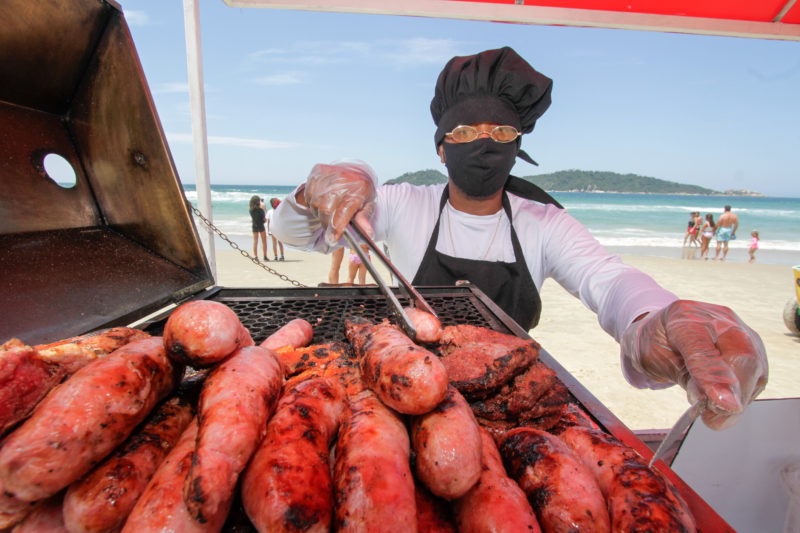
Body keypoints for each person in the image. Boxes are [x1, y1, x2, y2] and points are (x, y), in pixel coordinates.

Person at [272, 46, 767, 431]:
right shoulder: (404, 203)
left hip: (509, 402)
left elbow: (608, 278)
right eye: (465, 131)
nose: (484, 144)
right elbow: (297, 233)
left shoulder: (541, 221)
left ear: (518, 148)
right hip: (400, 390)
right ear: (441, 150)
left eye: (501, 132)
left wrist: (651, 321)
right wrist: (321, 187)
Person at [249, 195, 267, 261]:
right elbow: (264, 219)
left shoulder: (251, 210)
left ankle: (256, 256)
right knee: (264, 242)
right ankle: (265, 256)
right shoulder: (260, 210)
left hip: (254, 225)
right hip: (261, 226)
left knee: (255, 241)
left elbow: (253, 218)